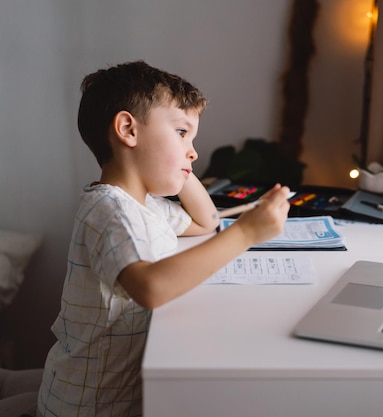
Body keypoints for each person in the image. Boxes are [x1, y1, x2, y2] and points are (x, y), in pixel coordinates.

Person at [37, 61, 291, 417]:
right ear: (128, 129)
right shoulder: (108, 209)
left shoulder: (148, 208)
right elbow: (150, 288)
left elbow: (207, 222)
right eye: (182, 132)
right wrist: (247, 232)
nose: (194, 151)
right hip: (87, 408)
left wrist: (180, 164)